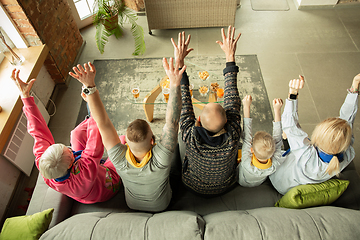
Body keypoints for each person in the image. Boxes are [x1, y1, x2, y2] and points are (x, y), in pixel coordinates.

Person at [69, 54, 185, 211]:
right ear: (153, 140)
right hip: (161, 206)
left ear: (125, 142)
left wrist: (89, 86)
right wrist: (175, 83)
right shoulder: (163, 157)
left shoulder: (117, 157)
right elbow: (172, 122)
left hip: (132, 205)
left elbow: (102, 123)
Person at [10, 69, 121, 204]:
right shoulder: (84, 171)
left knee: (76, 134)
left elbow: (38, 132)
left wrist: (25, 97)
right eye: (69, 151)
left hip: (90, 179)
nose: (69, 148)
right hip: (108, 185)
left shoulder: (44, 164)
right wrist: (91, 99)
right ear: (71, 163)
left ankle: (88, 127)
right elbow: (97, 131)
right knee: (122, 141)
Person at [178, 26, 242, 196]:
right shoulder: (234, 134)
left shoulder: (190, 136)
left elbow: (184, 101)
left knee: (179, 139)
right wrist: (230, 56)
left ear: (198, 120)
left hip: (192, 185)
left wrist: (180, 63)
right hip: (225, 186)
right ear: (227, 121)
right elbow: (232, 94)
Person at [270, 74, 359, 195]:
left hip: (279, 180)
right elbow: (347, 120)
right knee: (288, 135)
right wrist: (354, 87)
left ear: (317, 138)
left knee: (284, 136)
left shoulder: (306, 155)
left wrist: (293, 92)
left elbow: (290, 124)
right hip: (293, 183)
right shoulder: (347, 153)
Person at [237, 95, 284, 187]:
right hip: (258, 182)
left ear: (252, 150)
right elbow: (278, 139)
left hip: (241, 180)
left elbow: (247, 136)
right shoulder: (274, 165)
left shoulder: (246, 161)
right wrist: (277, 110)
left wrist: (246, 106)